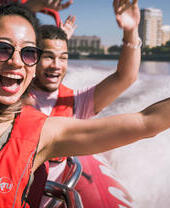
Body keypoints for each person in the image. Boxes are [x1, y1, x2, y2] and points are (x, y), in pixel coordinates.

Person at [0, 2, 170, 208]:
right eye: (3, 49)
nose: (16, 61)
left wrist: (131, 31)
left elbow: (142, 114)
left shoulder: (55, 120)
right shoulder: (16, 95)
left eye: (63, 57)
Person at [25, 0, 141, 206]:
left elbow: (125, 77)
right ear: (32, 56)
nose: (57, 66)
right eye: (49, 57)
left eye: (63, 58)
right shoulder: (12, 94)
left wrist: (131, 31)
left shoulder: (77, 102)